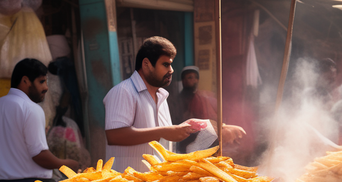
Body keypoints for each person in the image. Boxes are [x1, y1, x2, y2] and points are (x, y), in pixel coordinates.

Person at [0, 58, 79, 182]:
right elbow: (39, 156)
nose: (46, 88)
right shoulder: (31, 109)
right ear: (25, 81)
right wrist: (67, 164)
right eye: (41, 81)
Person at [103, 37, 196, 172]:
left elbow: (164, 138)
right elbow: (115, 135)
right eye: (165, 65)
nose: (171, 70)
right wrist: (165, 132)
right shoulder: (123, 91)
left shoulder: (162, 96)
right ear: (146, 64)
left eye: (171, 64)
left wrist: (181, 130)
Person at [168, 65, 246, 153]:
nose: (190, 81)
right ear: (182, 80)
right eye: (187, 78)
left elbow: (212, 118)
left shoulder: (204, 98)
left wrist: (223, 126)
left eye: (193, 78)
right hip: (184, 140)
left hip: (204, 138)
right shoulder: (177, 101)